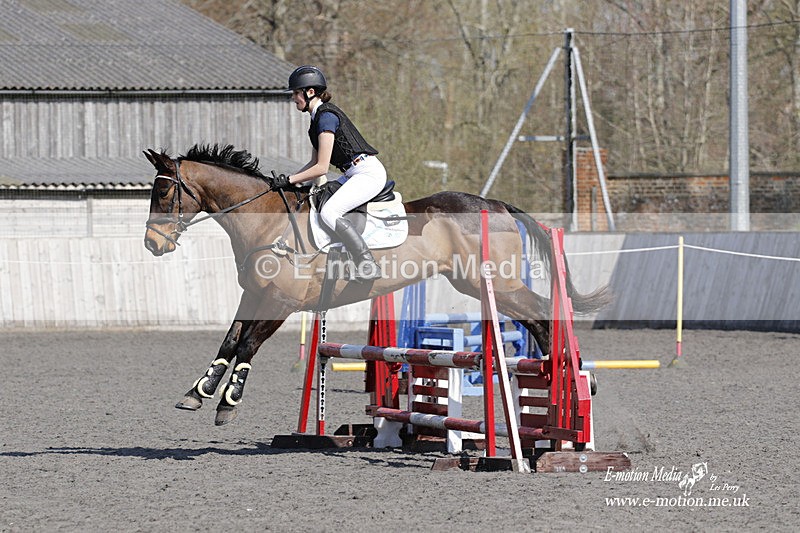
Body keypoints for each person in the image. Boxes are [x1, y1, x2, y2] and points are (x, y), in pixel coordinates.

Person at [274, 65, 386, 281]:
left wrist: (289, 179)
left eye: (295, 93)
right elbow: (313, 163)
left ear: (309, 92)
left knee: (329, 212)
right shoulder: (315, 121)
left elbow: (321, 168)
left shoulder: (326, 117)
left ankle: (367, 264)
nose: (293, 98)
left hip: (367, 173)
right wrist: (291, 182)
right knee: (316, 201)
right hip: (352, 172)